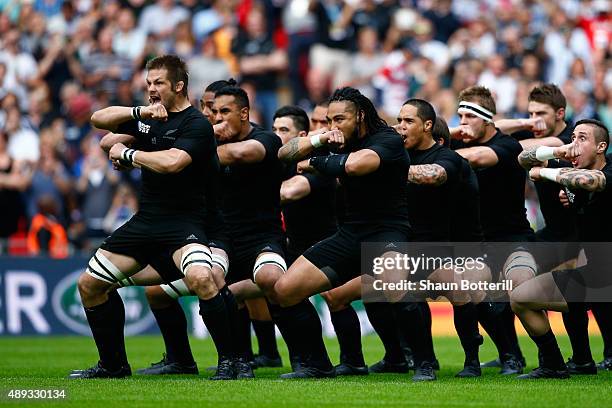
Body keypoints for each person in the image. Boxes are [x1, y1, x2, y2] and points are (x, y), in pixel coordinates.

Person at [68, 55, 223, 379]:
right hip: (147, 221)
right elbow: (99, 120)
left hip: (186, 222)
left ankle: (235, 361)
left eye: (158, 83)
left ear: (179, 86)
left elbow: (173, 162)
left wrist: (129, 154)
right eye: (148, 83)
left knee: (207, 280)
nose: (150, 89)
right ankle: (114, 366)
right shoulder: (148, 118)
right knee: (90, 285)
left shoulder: (195, 123)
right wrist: (139, 114)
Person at [273, 87, 410, 379]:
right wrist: (320, 138)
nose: (333, 126)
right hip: (349, 234)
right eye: (328, 120)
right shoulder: (332, 139)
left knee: (395, 292)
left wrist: (313, 162)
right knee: (285, 291)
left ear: (359, 116)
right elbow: (284, 154)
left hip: (389, 232)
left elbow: (359, 165)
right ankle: (320, 364)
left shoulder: (385, 138)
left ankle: (420, 362)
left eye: (339, 119)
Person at [512, 119, 612, 379]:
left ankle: (581, 360)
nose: (574, 144)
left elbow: (591, 181)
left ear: (601, 146)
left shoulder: (605, 171)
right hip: (598, 272)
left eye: (582, 138)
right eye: (573, 137)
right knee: (520, 297)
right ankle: (558, 363)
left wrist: (546, 173)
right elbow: (524, 158)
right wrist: (557, 151)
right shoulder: (569, 167)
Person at [276, 105, 366, 376]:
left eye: (284, 130)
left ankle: (355, 360)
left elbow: (292, 191)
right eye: (274, 129)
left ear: (301, 133)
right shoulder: (284, 160)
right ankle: (289, 358)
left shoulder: (322, 160)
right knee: (274, 289)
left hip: (328, 242)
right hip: (292, 245)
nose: (277, 135)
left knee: (336, 296)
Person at [452, 86, 532, 375]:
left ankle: (521, 357)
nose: (461, 122)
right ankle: (509, 355)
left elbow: (479, 157)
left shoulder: (508, 145)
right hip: (477, 238)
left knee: (501, 299)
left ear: (486, 119)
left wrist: (444, 154)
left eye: (468, 116)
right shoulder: (460, 142)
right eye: (458, 116)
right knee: (475, 295)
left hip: (512, 236)